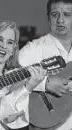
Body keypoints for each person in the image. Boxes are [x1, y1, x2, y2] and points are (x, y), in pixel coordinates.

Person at [0, 20, 47, 130]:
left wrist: (26, 87)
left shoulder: (19, 77)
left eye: (10, 42)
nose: (4, 46)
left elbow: (10, 119)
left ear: (13, 48)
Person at [18, 0, 72, 129]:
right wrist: (44, 84)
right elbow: (8, 77)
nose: (60, 20)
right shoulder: (33, 49)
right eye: (55, 14)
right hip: (46, 122)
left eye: (67, 14)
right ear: (48, 17)